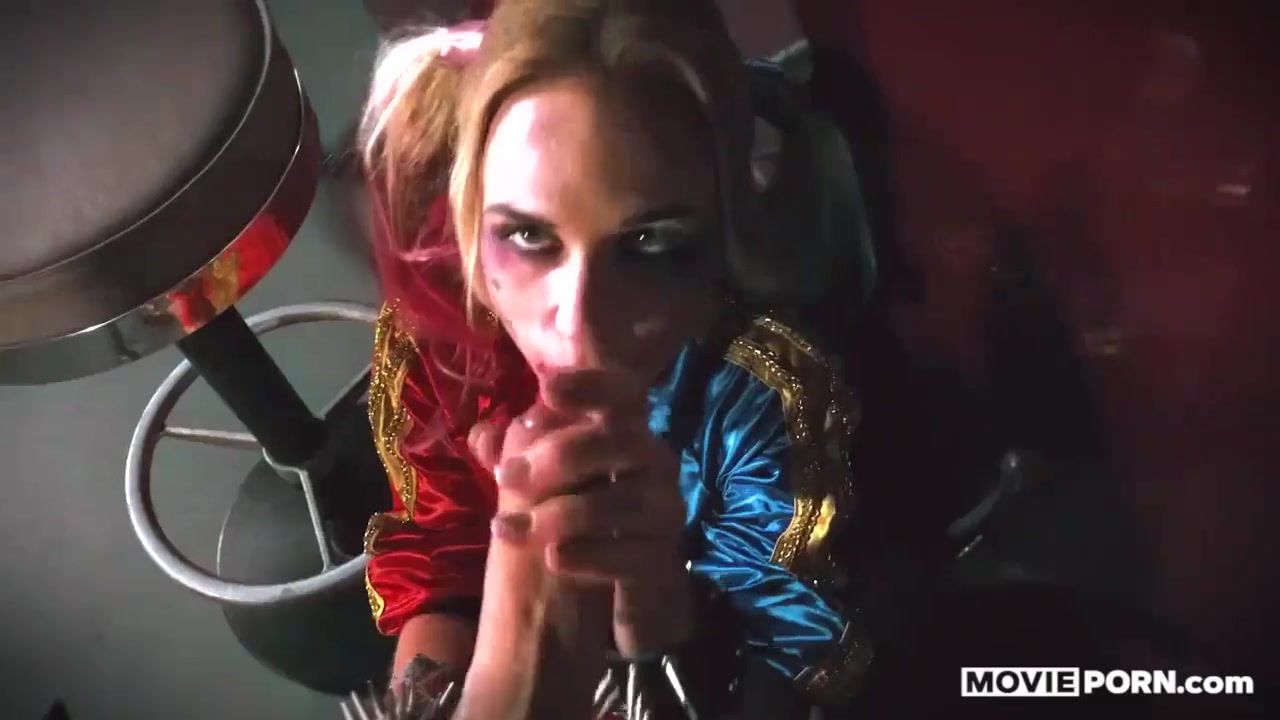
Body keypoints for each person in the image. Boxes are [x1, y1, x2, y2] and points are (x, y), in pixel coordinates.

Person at [358, 1, 870, 717]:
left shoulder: (762, 397)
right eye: (529, 237)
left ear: (722, 235)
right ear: (471, 220)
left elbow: (792, 659)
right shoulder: (444, 344)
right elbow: (438, 566)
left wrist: (654, 616)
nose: (580, 327)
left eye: (649, 244)